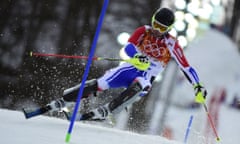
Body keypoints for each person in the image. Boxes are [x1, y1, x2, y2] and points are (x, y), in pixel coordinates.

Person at [27, 7, 207, 120]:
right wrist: (138, 56)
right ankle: (63, 100)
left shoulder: (171, 44)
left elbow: (186, 67)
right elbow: (129, 47)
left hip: (147, 76)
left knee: (141, 86)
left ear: (168, 29)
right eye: (155, 24)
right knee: (100, 84)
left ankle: (108, 110)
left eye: (161, 28)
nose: (156, 30)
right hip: (130, 68)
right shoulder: (143, 31)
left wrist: (197, 85)